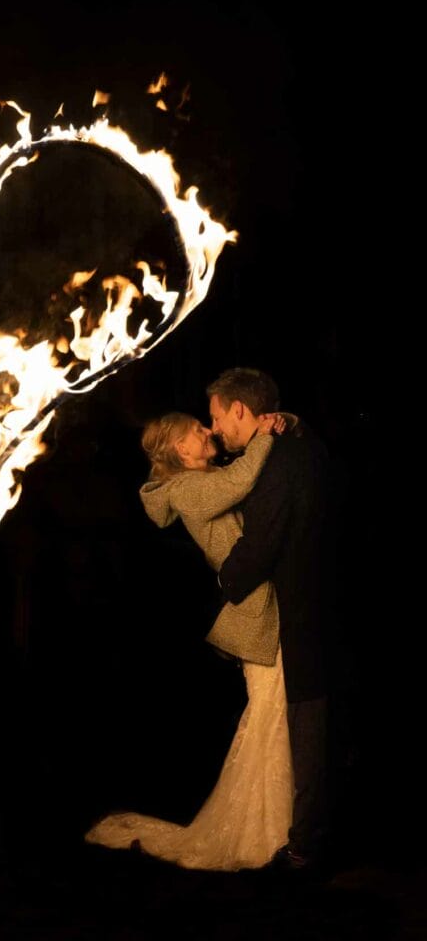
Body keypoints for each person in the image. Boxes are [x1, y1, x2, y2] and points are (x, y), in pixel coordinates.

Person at [85, 409, 295, 871]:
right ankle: (267, 834)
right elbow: (239, 483)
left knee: (272, 714)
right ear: (181, 450)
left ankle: (272, 828)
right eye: (198, 431)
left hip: (259, 606)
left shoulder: (202, 479)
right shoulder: (187, 489)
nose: (208, 431)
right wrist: (261, 435)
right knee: (269, 715)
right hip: (251, 611)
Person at [207, 367, 335, 874]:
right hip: (318, 610)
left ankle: (305, 845)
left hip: (302, 615)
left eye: (217, 417)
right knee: (309, 725)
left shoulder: (279, 462)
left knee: (308, 729)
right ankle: (300, 835)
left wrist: (225, 582)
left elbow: (262, 542)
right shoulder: (302, 444)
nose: (215, 429)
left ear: (241, 410)